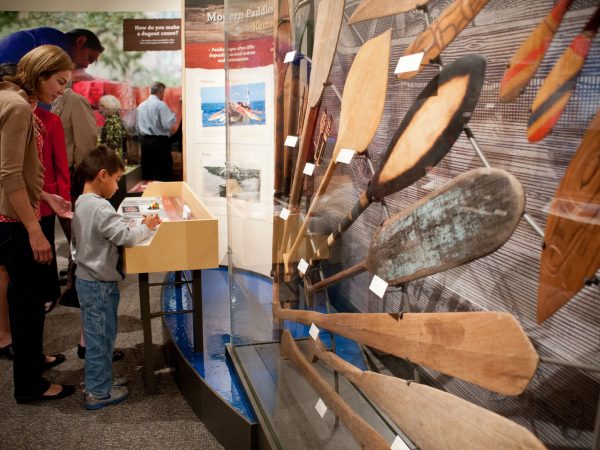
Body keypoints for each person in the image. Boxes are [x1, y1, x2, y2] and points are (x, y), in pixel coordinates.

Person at [0, 45, 76, 403]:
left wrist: (45, 197)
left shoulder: (11, 99)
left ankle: (31, 365)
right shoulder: (16, 106)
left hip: (16, 215)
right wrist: (33, 229)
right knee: (28, 301)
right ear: (41, 74)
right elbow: (10, 173)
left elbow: (15, 169)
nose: (61, 90)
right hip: (14, 223)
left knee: (26, 299)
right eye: (59, 82)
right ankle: (30, 385)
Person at [72, 145, 160, 410]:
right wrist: (147, 226)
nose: (117, 184)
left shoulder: (82, 202)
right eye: (117, 179)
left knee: (99, 336)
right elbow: (125, 236)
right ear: (102, 175)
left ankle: (101, 382)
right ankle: (98, 393)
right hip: (99, 284)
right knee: (101, 339)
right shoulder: (101, 209)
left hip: (87, 280)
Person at [34, 104, 70, 315]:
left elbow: (60, 162)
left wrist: (63, 198)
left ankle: (49, 293)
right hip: (17, 199)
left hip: (46, 198)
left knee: (46, 248)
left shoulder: (50, 120)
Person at [0, 28, 104, 70]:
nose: (86, 66)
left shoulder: (50, 37)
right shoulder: (53, 47)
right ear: (80, 41)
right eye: (90, 58)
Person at [137, 81, 176, 181]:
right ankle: (164, 196)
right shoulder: (161, 105)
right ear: (161, 92)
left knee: (147, 173)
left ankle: (148, 195)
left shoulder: (140, 106)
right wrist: (173, 116)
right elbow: (167, 125)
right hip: (160, 143)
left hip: (145, 143)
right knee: (163, 173)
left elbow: (137, 126)